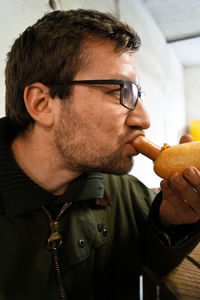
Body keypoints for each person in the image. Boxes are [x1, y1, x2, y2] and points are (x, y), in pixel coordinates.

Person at [1, 8, 200, 300]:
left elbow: (149, 262)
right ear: (42, 103)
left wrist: (172, 223)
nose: (143, 119)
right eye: (122, 91)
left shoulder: (130, 194)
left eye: (138, 95)